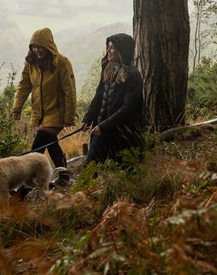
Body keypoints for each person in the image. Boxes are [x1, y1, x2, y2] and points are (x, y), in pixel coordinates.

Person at [11, 28, 76, 185]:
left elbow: (70, 91)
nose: (37, 50)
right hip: (40, 113)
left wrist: (68, 117)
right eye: (34, 46)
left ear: (48, 46)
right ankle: (64, 176)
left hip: (57, 112)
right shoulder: (31, 64)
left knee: (37, 147)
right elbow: (24, 86)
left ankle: (25, 185)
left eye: (40, 46)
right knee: (51, 142)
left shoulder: (61, 62)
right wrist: (16, 108)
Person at [80, 33, 145, 169]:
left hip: (122, 133)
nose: (108, 51)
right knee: (89, 169)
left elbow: (128, 108)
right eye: (108, 47)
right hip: (101, 130)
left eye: (112, 48)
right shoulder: (107, 69)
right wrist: (88, 118)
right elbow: (98, 97)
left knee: (126, 171)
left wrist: (104, 126)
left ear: (121, 51)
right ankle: (82, 191)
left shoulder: (133, 76)